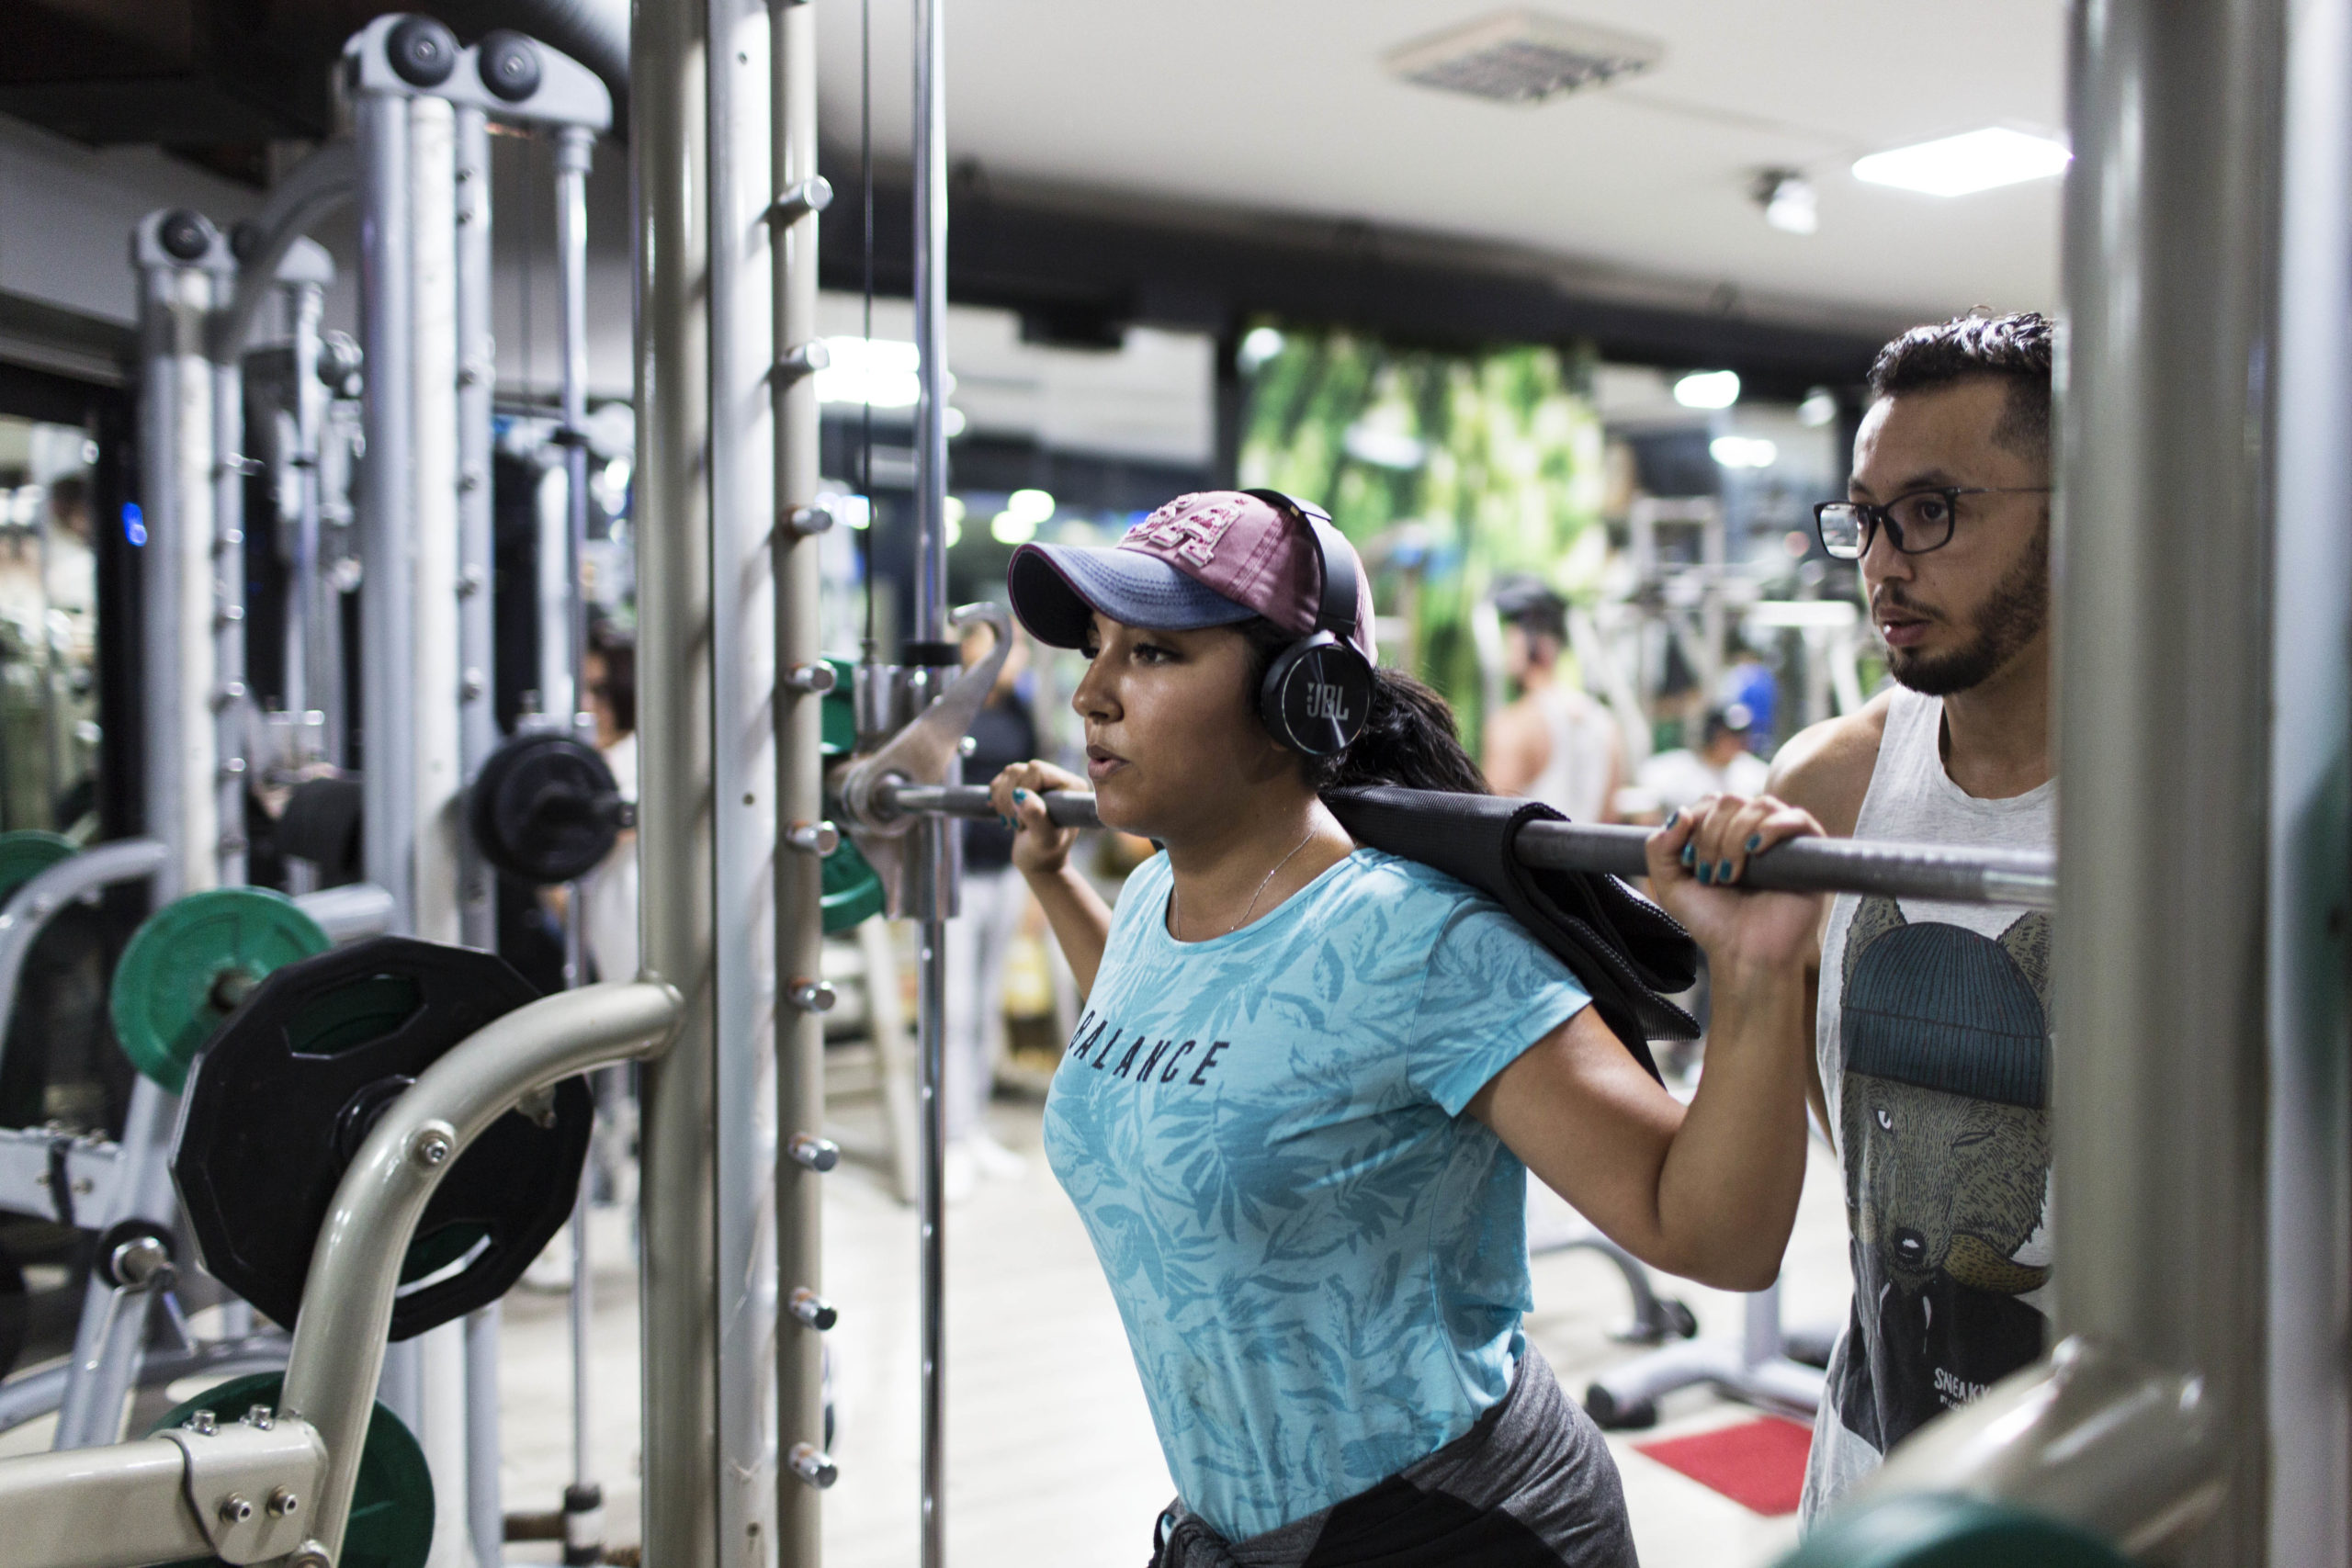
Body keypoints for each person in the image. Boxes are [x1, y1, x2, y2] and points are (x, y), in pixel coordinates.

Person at [987, 489, 1823, 1567]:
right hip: (1237, 1533)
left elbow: (1710, 1232)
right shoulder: (1157, 898)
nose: (1091, 694)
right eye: (1097, 648)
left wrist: (1756, 977)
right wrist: (1059, 889)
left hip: (1445, 1528)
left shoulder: (1417, 944)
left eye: (1151, 654)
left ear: (1303, 696)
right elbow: (1195, 1054)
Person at [1708, 313, 2057, 1520]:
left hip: (2121, 1489)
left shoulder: (2201, 808)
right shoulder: (1831, 789)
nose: (1882, 562)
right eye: (1864, 518)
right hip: (1874, 1461)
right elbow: (1849, 1122)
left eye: (1933, 510)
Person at [942, 618, 1037, 1200]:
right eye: (996, 649)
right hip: (956, 879)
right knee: (953, 1011)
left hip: (1004, 875)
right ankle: (949, 1139)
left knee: (984, 1007)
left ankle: (972, 1127)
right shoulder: (951, 714)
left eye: (1016, 649)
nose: (1010, 659)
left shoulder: (1019, 715)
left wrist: (1036, 884)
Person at [1482, 578, 1624, 823]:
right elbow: (1608, 819)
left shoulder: (1515, 724)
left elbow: (1490, 824)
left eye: (1511, 638)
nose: (1507, 651)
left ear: (1536, 644)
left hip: (1528, 861)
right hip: (1588, 861)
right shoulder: (1605, 724)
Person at [1637, 704, 1770, 813]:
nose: (1736, 742)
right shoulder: (1671, 769)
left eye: (1740, 736)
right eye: (1729, 735)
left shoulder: (1756, 773)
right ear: (1710, 735)